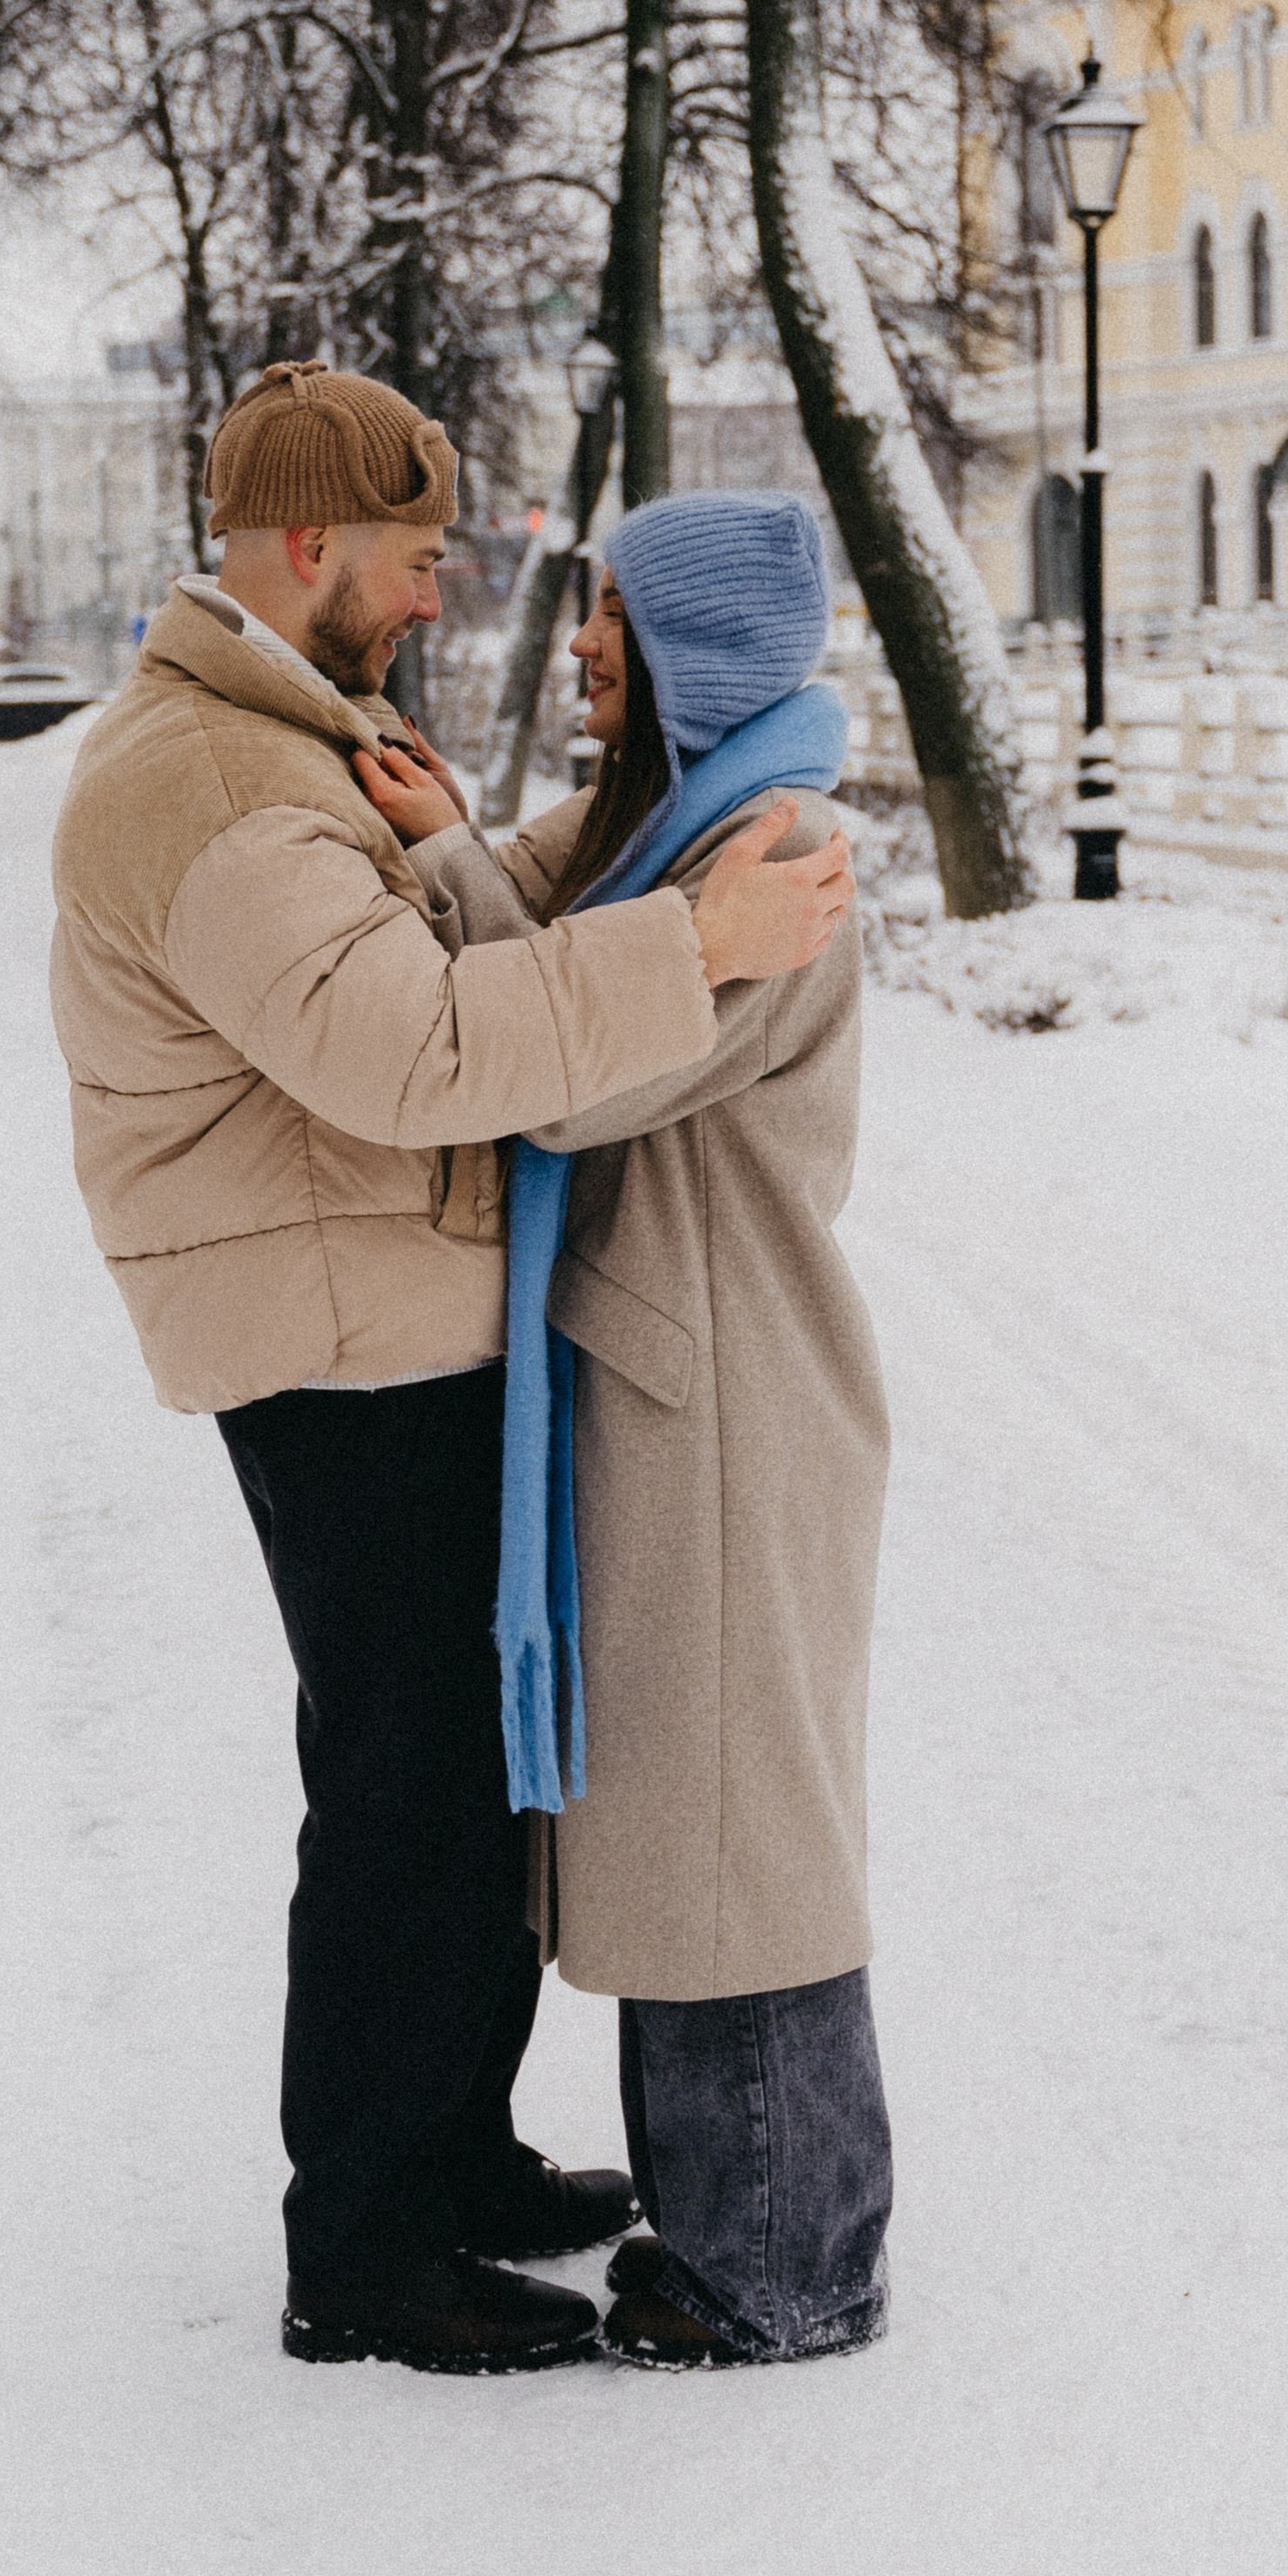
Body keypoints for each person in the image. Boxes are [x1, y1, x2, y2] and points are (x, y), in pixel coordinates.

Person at [48, 366, 855, 2375]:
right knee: (405, 1787)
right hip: (335, 1342)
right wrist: (694, 945)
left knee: (461, 1767)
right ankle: (371, 2240)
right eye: (412, 559)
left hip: (384, 1312)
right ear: (308, 543)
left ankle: (451, 2149)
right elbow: (414, 1050)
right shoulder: (215, 784)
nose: (435, 599)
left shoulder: (279, 737)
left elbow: (485, 935)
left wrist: (478, 854)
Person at [355, 489, 892, 2370]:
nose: (576, 644)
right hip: (681, 1383)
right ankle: (746, 2216)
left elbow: (579, 1080)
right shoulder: (673, 828)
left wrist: (469, 887)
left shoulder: (771, 848)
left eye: (607, 618)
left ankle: (790, 2261)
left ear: (693, 650)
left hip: (728, 1393)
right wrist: (458, 860)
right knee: (693, 1818)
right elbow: (576, 944)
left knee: (736, 1835)